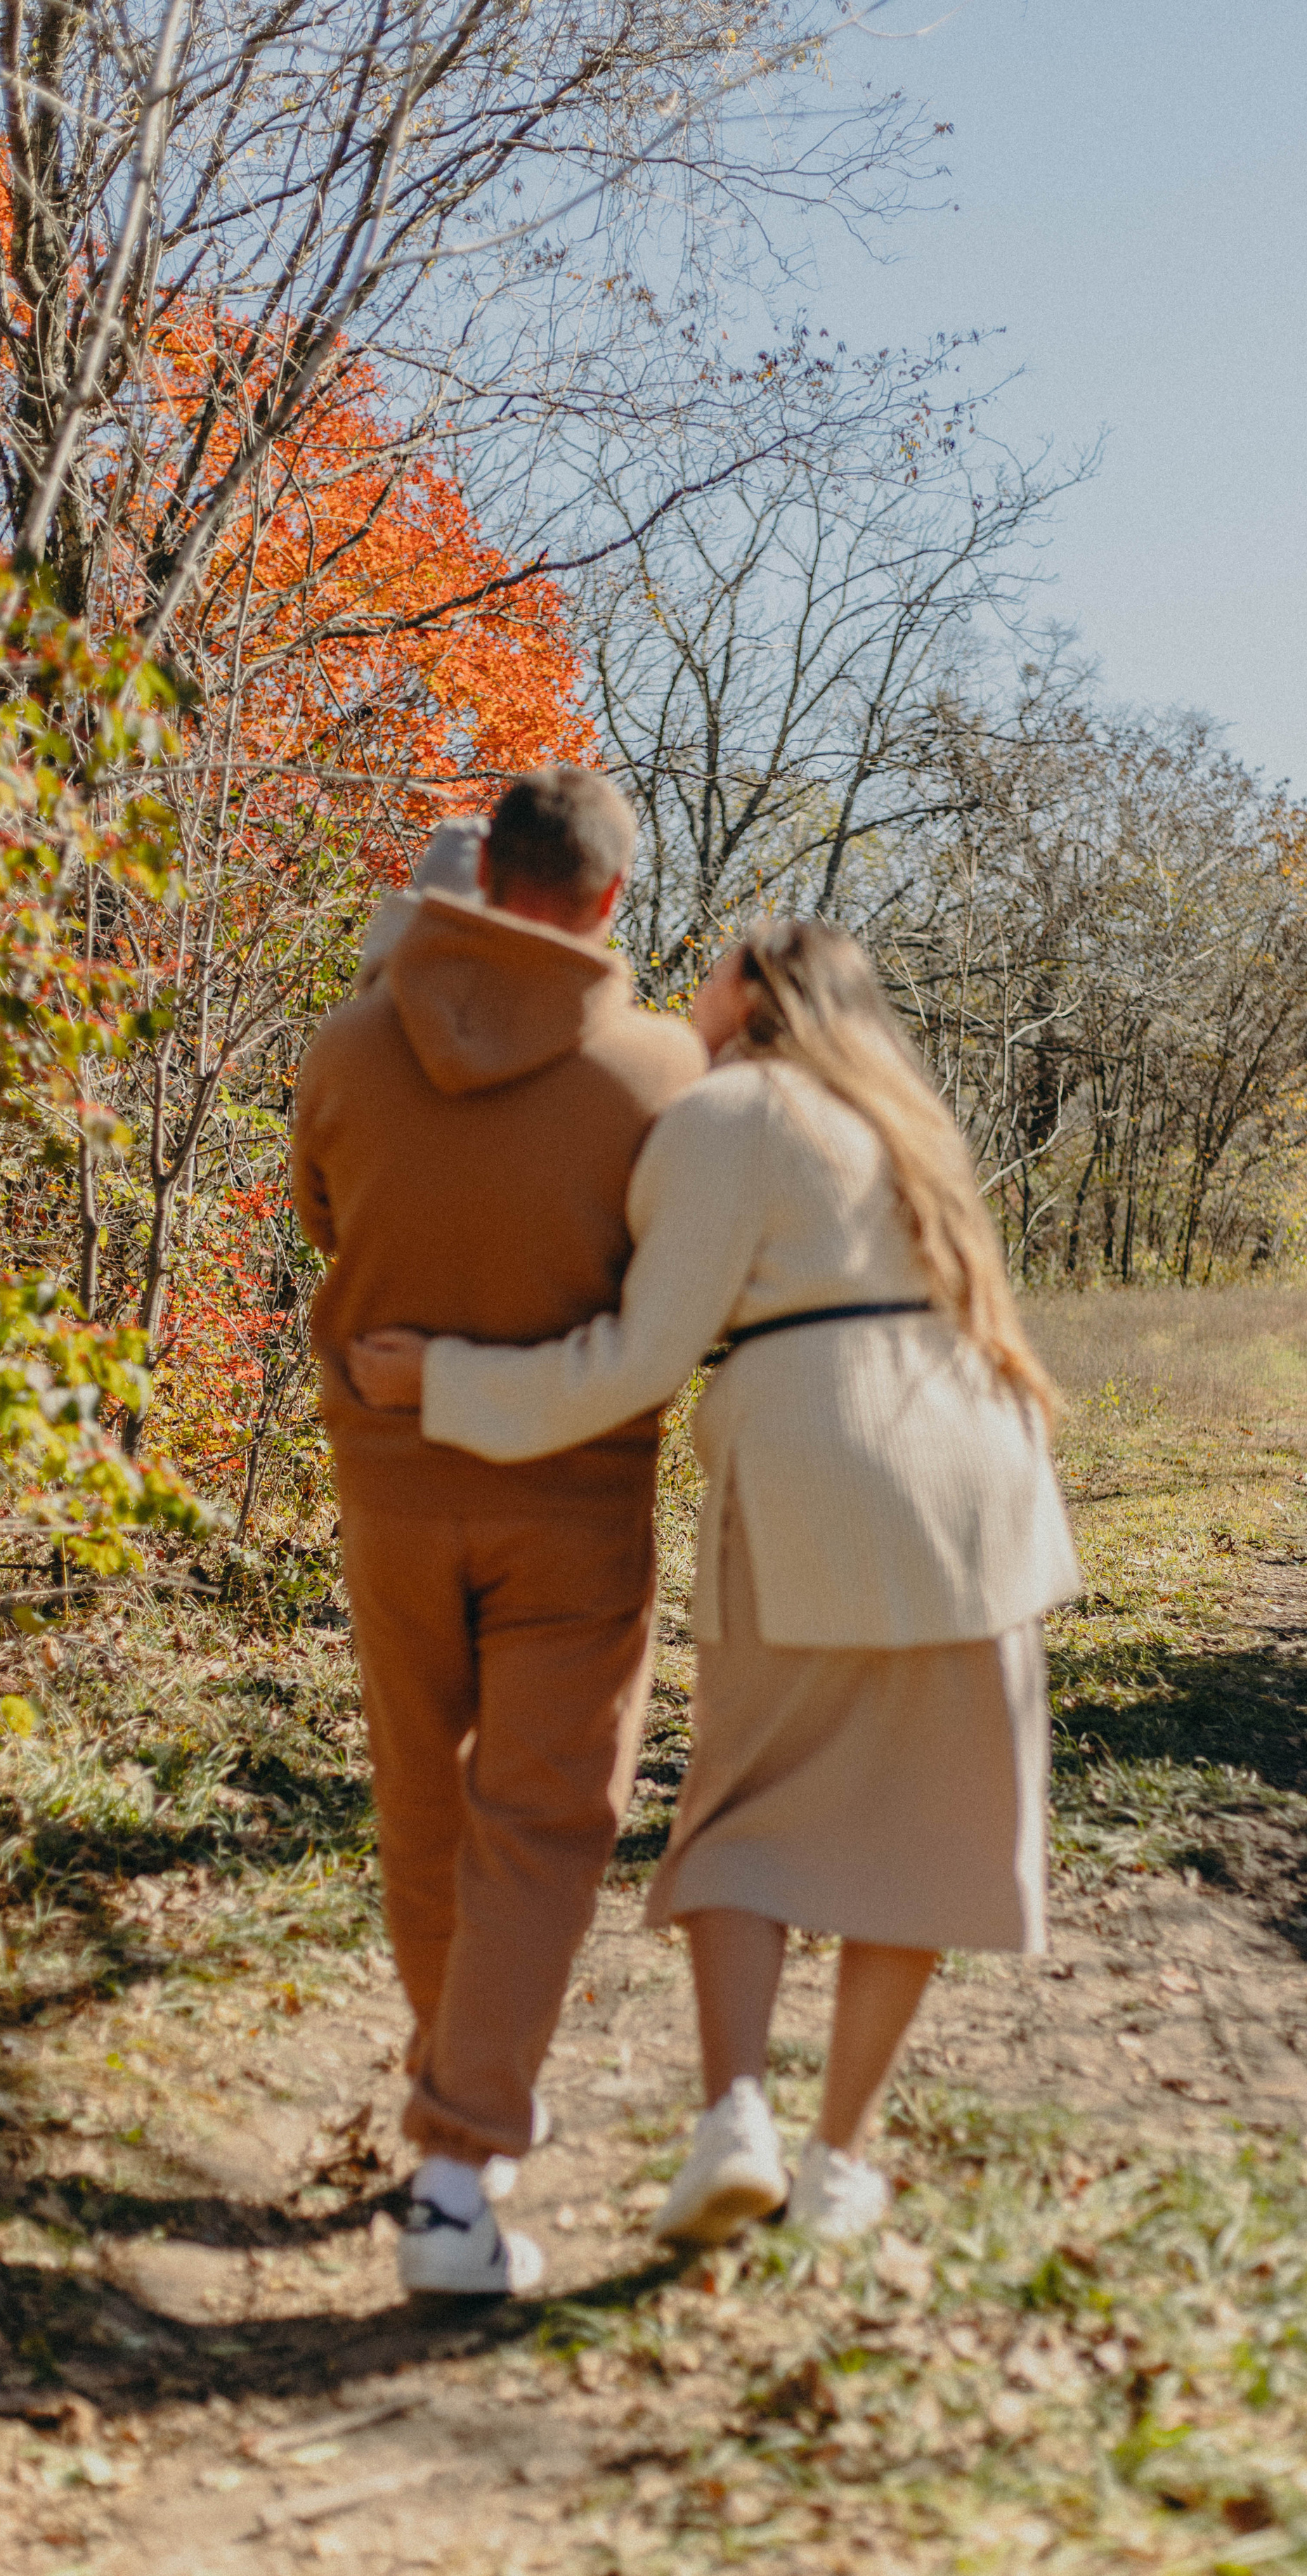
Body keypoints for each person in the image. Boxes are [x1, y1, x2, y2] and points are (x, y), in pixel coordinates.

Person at [347, 920, 1079, 2249]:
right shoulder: (911, 1119)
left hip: (819, 1461)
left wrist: (440, 1381)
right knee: (928, 1832)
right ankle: (842, 2160)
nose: (692, 978)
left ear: (751, 994)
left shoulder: (730, 1112)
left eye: (713, 962)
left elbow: (635, 1359)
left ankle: (734, 2117)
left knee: (746, 1807)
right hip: (984, 1472)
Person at [292, 767, 705, 2296]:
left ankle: (444, 2091)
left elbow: (324, 1218)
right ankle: (459, 2176)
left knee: (422, 1798)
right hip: (575, 1504)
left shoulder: (346, 1042)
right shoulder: (658, 1072)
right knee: (538, 1826)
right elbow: (673, 1294)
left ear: (483, 877)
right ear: (606, 898)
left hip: (390, 1483)